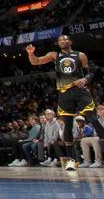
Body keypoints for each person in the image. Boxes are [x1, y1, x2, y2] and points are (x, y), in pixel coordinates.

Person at [26, 34, 104, 171]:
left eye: (65, 39)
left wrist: (85, 80)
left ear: (70, 41)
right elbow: (36, 62)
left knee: (93, 120)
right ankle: (71, 161)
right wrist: (30, 53)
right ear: (58, 43)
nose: (63, 41)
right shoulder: (54, 55)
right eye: (60, 40)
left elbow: (89, 73)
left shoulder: (80, 55)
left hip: (80, 92)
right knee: (67, 124)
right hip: (64, 93)